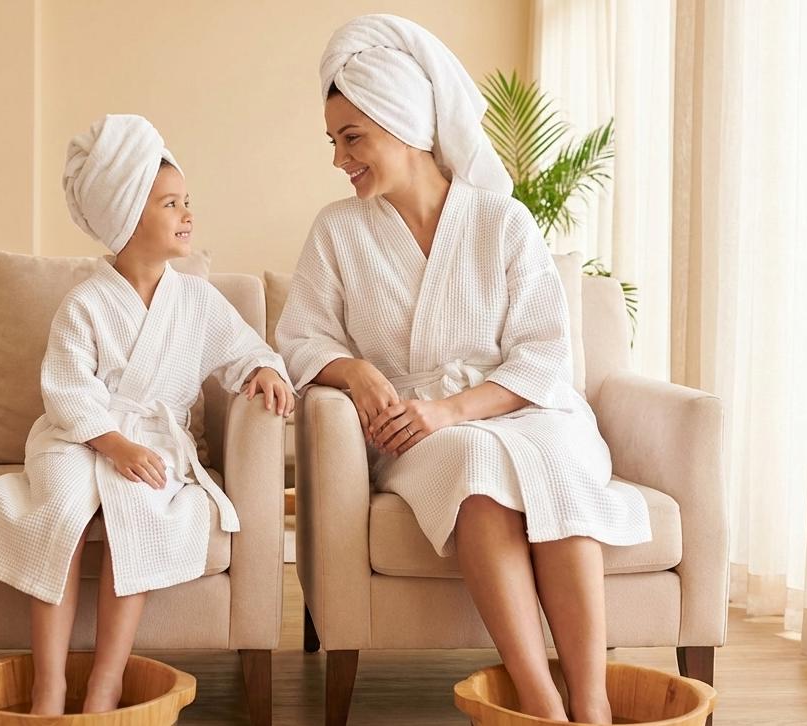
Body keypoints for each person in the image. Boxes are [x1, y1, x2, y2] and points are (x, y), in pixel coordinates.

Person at [276, 15, 651, 724]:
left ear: (406, 125)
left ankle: (593, 703)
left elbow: (544, 355)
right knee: (476, 475)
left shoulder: (501, 221)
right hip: (416, 434)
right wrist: (354, 372)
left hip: (522, 409)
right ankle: (540, 706)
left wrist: (450, 409)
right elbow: (300, 336)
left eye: (352, 137)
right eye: (332, 141)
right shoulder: (337, 229)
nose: (338, 160)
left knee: (557, 471)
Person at [0, 114, 293, 715]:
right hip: (78, 439)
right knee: (58, 514)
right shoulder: (85, 303)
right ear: (126, 218)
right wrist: (115, 445)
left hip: (154, 443)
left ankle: (106, 683)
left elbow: (245, 348)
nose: (188, 214)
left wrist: (265, 370)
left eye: (186, 201)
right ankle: (49, 683)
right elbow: (65, 392)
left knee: (139, 510)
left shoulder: (196, 298)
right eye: (172, 203)